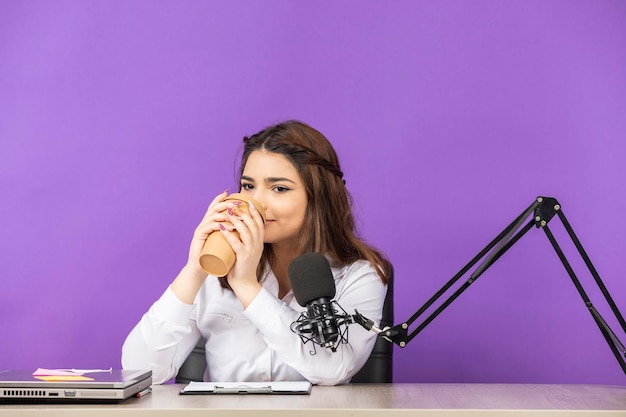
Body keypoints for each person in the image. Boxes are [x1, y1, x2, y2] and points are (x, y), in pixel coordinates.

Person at [121, 120, 392, 385]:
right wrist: (194, 270)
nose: (256, 203)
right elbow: (140, 371)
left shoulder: (359, 274)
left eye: (279, 188)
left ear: (318, 197)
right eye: (248, 186)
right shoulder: (217, 268)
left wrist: (248, 287)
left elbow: (333, 369)